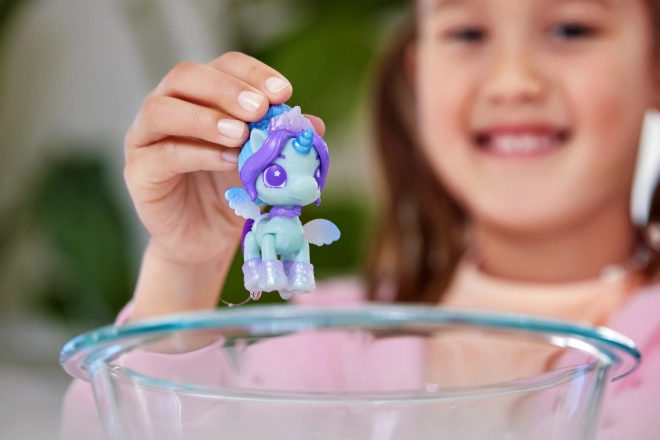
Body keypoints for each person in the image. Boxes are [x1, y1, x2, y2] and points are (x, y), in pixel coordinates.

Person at [62, 0, 660, 438]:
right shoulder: (328, 338)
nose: (513, 82)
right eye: (467, 32)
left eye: (571, 28)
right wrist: (185, 265)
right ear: (419, 79)